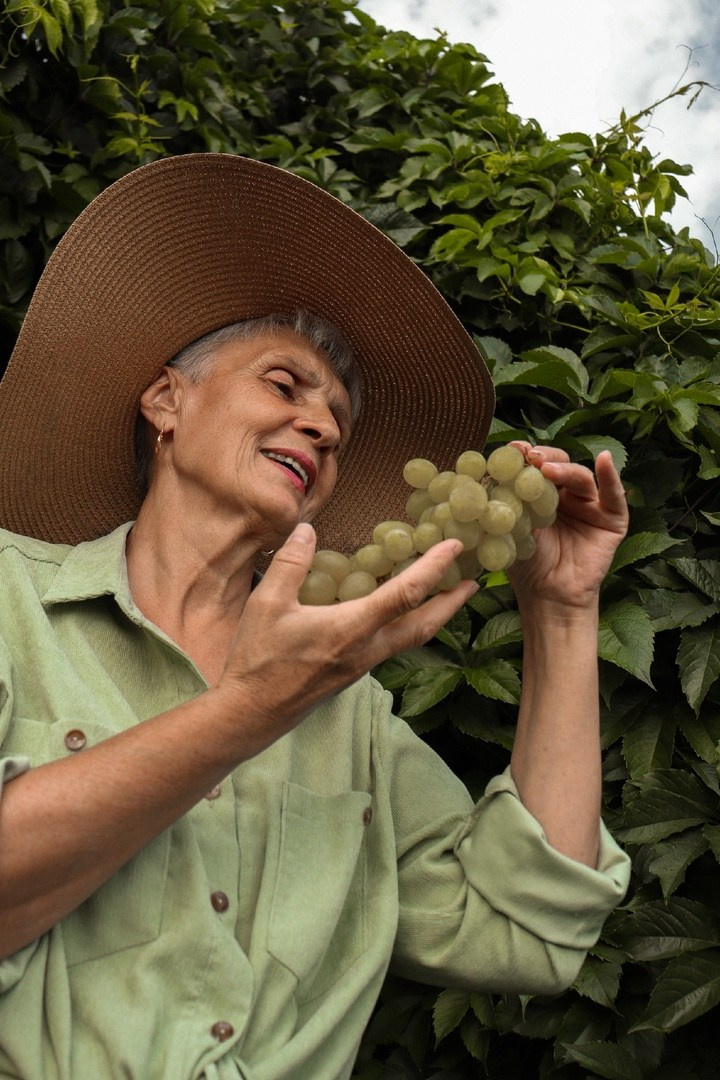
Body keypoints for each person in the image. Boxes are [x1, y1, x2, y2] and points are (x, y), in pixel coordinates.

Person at [0, 154, 630, 1080]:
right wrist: (252, 709)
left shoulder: (349, 710)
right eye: (285, 385)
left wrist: (566, 612)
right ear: (167, 401)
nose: (326, 426)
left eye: (337, 416)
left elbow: (523, 936)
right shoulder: (11, 598)